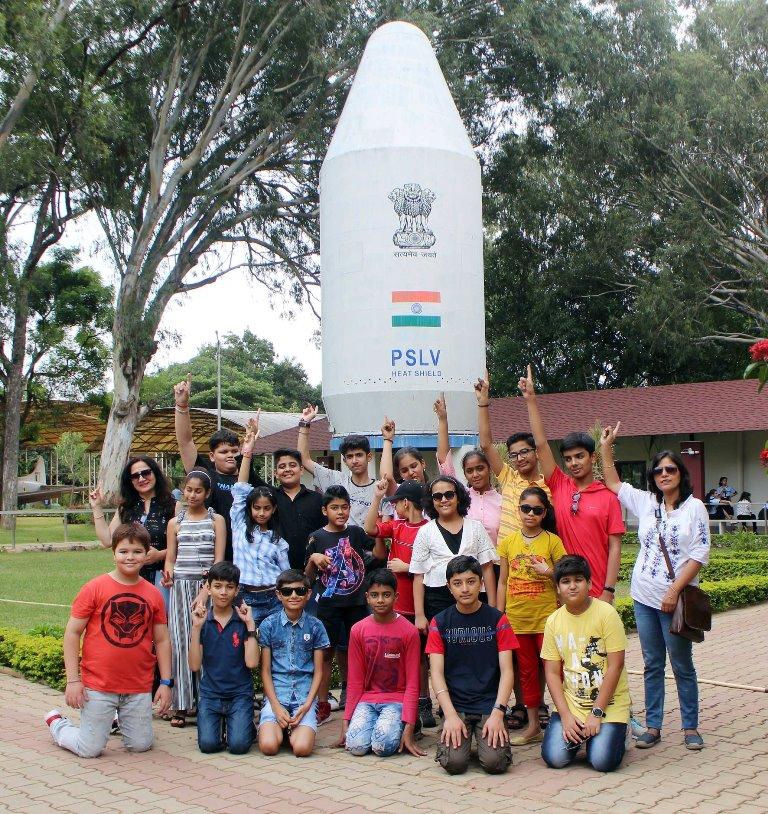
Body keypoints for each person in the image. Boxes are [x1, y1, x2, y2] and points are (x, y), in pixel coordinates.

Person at [601, 426, 709, 750]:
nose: (664, 474)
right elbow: (612, 481)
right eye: (658, 470)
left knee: (681, 663)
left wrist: (674, 591)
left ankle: (690, 726)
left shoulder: (695, 508)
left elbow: (700, 554)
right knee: (652, 663)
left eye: (670, 469)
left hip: (673, 601)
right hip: (643, 597)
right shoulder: (648, 502)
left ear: (681, 474)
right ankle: (654, 726)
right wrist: (606, 446)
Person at [44, 523, 172, 758]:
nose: (130, 557)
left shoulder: (153, 594)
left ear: (147, 554)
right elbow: (72, 633)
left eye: (137, 551)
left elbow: (162, 640)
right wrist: (73, 681)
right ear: (113, 553)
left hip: (138, 685)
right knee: (89, 749)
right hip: (99, 685)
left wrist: (165, 682)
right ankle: (58, 724)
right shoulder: (95, 588)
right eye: (123, 551)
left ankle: (114, 718)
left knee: (141, 745)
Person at [518, 364, 624, 602]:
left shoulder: (608, 497)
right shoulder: (559, 484)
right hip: (563, 589)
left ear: (592, 457)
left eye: (579, 456)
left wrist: (609, 589)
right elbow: (542, 445)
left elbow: (615, 547)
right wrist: (531, 400)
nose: (574, 463)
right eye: (568, 459)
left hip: (597, 592)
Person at [426, 555, 516, 775]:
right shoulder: (440, 622)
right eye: (457, 583)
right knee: (454, 764)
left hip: (489, 704)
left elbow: (507, 671)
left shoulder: (498, 620)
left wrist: (498, 713)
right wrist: (449, 715)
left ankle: (487, 738)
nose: (465, 589)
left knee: (495, 764)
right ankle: (458, 735)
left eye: (471, 581)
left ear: (481, 583)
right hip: (456, 706)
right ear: (449, 587)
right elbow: (436, 673)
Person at [305, 485, 387, 724]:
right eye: (334, 508)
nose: (340, 512)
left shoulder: (355, 532)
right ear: (324, 510)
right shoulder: (316, 537)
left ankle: (359, 699)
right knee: (325, 653)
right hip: (328, 605)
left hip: (357, 603)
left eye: (344, 507)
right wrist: (313, 558)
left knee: (359, 652)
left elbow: (379, 555)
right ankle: (322, 703)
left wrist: (380, 529)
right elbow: (307, 578)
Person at [540, 555, 630, 772]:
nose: (572, 586)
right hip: (573, 704)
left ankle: (618, 733)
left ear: (589, 583)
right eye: (566, 581)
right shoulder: (553, 621)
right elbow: (551, 673)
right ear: (558, 588)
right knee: (555, 758)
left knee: (602, 761)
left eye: (578, 580)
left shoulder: (606, 614)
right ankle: (586, 736)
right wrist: (566, 716)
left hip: (608, 705)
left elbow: (616, 666)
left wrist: (596, 714)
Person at [496, 487, 566, 745]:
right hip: (518, 619)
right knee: (525, 672)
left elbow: (564, 576)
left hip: (547, 619)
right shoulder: (508, 542)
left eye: (537, 510)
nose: (530, 514)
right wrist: (498, 613)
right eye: (526, 508)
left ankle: (562, 719)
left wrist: (548, 571)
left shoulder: (552, 541)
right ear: (518, 510)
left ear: (544, 512)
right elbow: (503, 581)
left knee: (554, 670)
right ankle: (533, 725)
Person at [363, 477, 433, 725]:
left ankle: (423, 700)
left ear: (406, 502)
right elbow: (369, 528)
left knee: (422, 657)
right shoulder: (397, 526)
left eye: (396, 503)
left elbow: (433, 565)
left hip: (419, 604)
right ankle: (401, 699)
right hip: (396, 607)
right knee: (396, 654)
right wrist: (377, 498)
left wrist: (407, 567)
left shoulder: (429, 528)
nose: (394, 508)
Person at [174, 375, 265, 559]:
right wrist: (182, 406)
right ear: (212, 456)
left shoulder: (247, 475)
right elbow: (185, 442)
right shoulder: (204, 474)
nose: (230, 455)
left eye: (234, 450)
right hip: (210, 551)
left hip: (245, 553)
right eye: (224, 452)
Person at [163, 470, 226, 727]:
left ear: (208, 493)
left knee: (205, 644)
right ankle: (181, 704)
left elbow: (219, 560)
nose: (192, 495)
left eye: (198, 491)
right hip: (179, 587)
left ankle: (205, 704)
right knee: (179, 643)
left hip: (207, 588)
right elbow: (170, 556)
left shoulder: (216, 520)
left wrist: (206, 589)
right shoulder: (175, 522)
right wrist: (168, 572)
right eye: (188, 490)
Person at [341, 569, 425, 758]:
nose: (380, 600)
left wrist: (409, 727)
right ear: (367, 597)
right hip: (367, 700)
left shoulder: (409, 631)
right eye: (375, 595)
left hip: (396, 700)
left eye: (386, 595)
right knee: (355, 747)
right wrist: (346, 721)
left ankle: (409, 723)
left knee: (383, 747)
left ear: (396, 596)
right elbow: (354, 680)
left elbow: (413, 683)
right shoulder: (358, 630)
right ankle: (380, 725)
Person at [410, 476, 498, 632]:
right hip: (438, 600)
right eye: (437, 496)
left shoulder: (476, 527)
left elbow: (487, 568)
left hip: (475, 598)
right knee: (444, 649)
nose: (443, 500)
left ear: (458, 497)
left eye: (449, 495)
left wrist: (492, 609)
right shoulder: (425, 532)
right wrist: (419, 615)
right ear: (432, 501)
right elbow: (418, 575)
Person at [188, 562, 259, 755]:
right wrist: (195, 628)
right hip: (211, 695)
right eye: (217, 586)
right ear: (208, 588)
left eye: (229, 587)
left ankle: (245, 727)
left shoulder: (242, 621)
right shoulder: (203, 622)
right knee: (208, 745)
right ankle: (221, 726)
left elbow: (252, 663)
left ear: (236, 590)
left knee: (238, 746)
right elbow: (194, 665)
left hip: (239, 694)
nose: (223, 592)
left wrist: (250, 625)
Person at [258, 569, 330, 757]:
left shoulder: (316, 626)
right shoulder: (268, 625)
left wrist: (307, 705)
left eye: (299, 591)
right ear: (278, 594)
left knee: (302, 749)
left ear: (308, 593)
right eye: (287, 591)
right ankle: (280, 727)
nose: (293, 596)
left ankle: (291, 729)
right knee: (268, 747)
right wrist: (274, 705)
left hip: (304, 697)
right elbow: (265, 670)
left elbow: (319, 672)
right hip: (277, 696)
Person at [89, 457, 177, 607]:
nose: (141, 478)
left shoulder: (173, 505)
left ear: (155, 473)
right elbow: (107, 540)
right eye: (135, 476)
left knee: (161, 621)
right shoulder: (126, 507)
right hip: (132, 576)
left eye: (146, 473)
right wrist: (96, 506)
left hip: (163, 576)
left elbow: (183, 544)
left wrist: (160, 554)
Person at [298, 405, 395, 526]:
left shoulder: (380, 489)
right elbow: (304, 459)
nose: (354, 460)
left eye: (359, 455)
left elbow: (385, 531)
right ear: (344, 460)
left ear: (369, 457)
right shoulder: (336, 480)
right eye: (349, 456)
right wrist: (304, 423)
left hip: (370, 543)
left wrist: (388, 439)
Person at [231, 427, 290, 624]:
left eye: (266, 508)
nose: (261, 513)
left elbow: (285, 575)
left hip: (274, 598)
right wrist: (247, 452)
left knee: (272, 647)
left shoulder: (278, 541)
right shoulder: (239, 526)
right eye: (257, 508)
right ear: (250, 508)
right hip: (246, 597)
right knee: (247, 645)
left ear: (273, 509)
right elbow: (240, 489)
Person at [434, 393, 502, 545]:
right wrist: (443, 420)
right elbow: (444, 460)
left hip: (496, 565)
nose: (475, 474)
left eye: (480, 468)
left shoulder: (502, 501)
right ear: (464, 474)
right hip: (466, 565)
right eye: (469, 471)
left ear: (489, 468)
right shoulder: (460, 496)